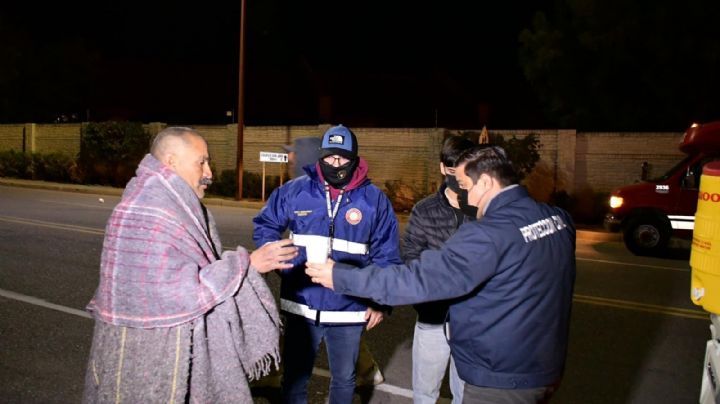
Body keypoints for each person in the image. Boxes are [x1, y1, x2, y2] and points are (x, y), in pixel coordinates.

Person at [307, 145, 576, 404]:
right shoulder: (557, 218)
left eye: (465, 186)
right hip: (545, 370)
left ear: (485, 183)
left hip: (501, 381)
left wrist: (340, 276)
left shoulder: (489, 234)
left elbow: (417, 279)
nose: (463, 197)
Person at [82, 127, 298, 403]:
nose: (209, 172)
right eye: (202, 162)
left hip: (161, 345)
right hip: (147, 354)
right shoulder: (151, 210)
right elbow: (178, 293)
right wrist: (247, 264)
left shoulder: (170, 201)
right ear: (171, 162)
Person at [253, 124, 402, 403]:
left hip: (349, 307)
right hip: (301, 304)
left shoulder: (374, 201)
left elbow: (387, 254)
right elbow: (265, 226)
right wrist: (276, 258)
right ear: (321, 157)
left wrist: (380, 301)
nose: (336, 164)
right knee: (295, 377)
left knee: (345, 380)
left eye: (343, 158)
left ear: (354, 159)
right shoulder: (295, 191)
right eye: (330, 157)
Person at [403, 135, 475, 404]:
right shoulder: (424, 210)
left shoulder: (484, 209)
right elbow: (411, 257)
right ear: (443, 168)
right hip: (432, 319)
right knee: (424, 393)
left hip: (472, 322)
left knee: (466, 394)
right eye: (453, 169)